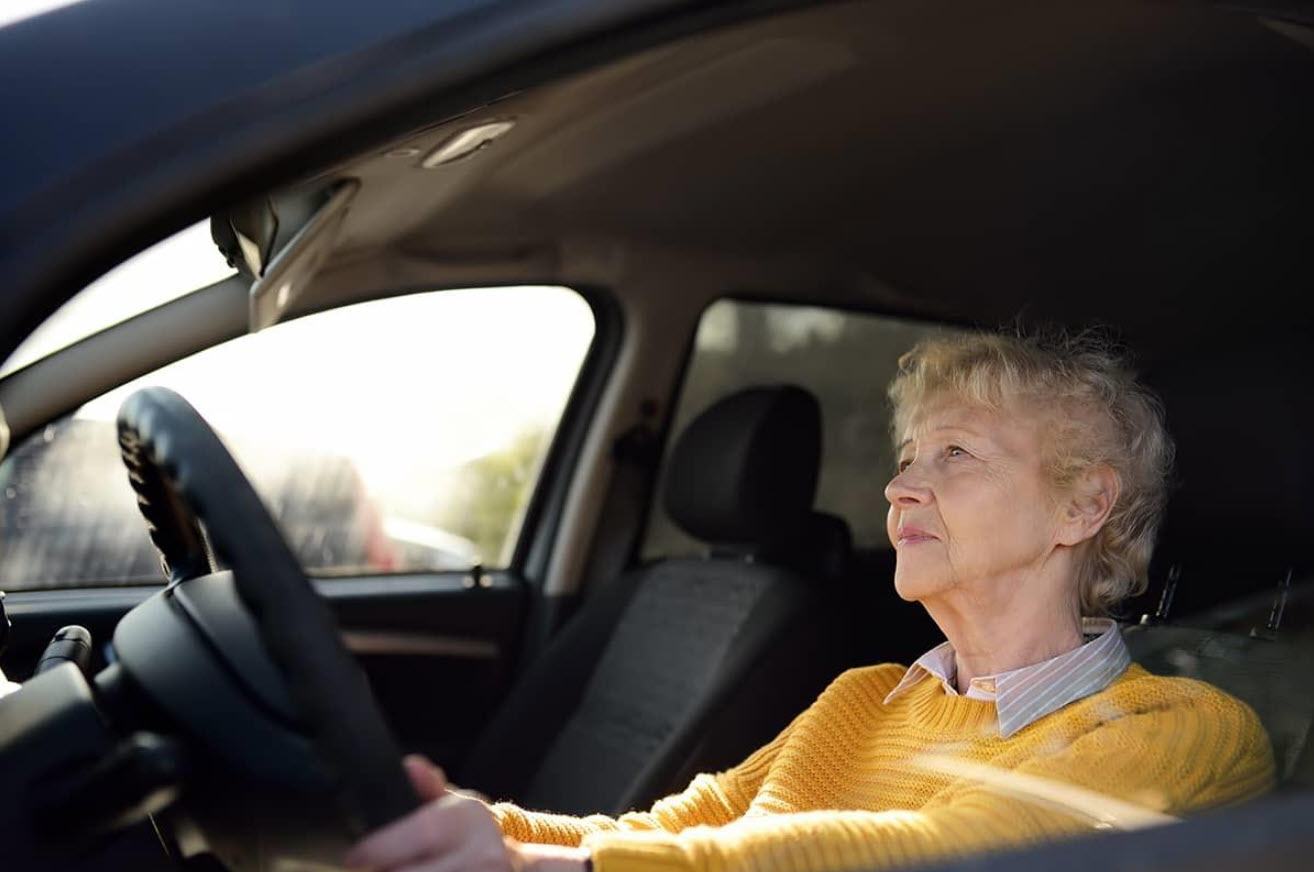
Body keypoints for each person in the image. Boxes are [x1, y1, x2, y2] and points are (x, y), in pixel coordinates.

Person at [346, 330, 1275, 872]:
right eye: (908, 460)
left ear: (1083, 504)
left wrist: (555, 869)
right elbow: (665, 833)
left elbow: (945, 849)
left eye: (956, 455)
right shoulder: (861, 699)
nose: (901, 489)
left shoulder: (1183, 730)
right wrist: (472, 825)